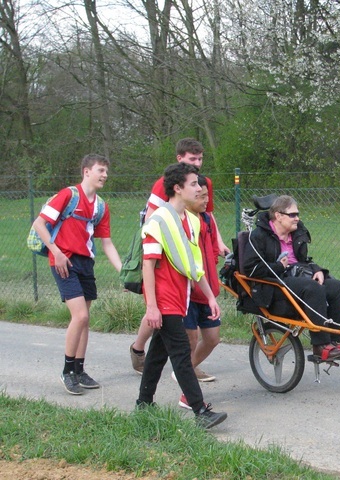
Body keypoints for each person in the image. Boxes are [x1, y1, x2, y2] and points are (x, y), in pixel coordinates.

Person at [135, 162, 227, 429]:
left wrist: (209, 296)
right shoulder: (158, 220)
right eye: (194, 184)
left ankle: (143, 403)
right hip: (164, 300)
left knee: (157, 353)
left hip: (181, 297)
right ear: (177, 188)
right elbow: (148, 265)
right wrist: (152, 306)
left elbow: (194, 264)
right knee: (180, 355)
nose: (200, 188)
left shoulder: (192, 221)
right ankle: (200, 411)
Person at [130, 138, 229, 377]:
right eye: (192, 159)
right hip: (168, 256)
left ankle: (182, 367)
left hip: (193, 254)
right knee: (160, 312)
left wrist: (218, 241)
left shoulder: (203, 185)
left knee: (178, 323)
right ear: (180, 159)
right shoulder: (166, 184)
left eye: (200, 159)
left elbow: (208, 213)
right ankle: (139, 348)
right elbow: (152, 220)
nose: (197, 163)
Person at [31, 154, 122, 395]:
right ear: (86, 172)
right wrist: (56, 252)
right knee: (79, 316)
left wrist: (124, 273)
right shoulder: (68, 195)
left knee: (85, 318)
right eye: (100, 170)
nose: (104, 175)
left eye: (106, 172)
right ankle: (67, 371)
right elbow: (40, 224)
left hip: (85, 263)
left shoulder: (101, 206)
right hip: (62, 261)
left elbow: (108, 244)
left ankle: (80, 371)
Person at [242, 195, 340, 361]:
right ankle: (320, 346)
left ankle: (335, 340)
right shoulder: (259, 236)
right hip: (274, 284)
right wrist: (279, 266)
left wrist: (317, 270)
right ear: (278, 216)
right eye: (292, 215)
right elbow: (251, 269)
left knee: (338, 287)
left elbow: (303, 261)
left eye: (297, 214)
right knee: (312, 288)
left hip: (297, 277)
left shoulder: (296, 234)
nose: (297, 218)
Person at [176, 175, 222, 409]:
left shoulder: (207, 220)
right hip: (187, 293)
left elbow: (212, 253)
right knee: (190, 340)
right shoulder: (180, 220)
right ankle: (188, 391)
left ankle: (183, 371)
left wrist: (213, 285)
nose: (205, 201)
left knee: (213, 338)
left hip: (207, 291)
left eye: (207, 196)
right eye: (201, 196)